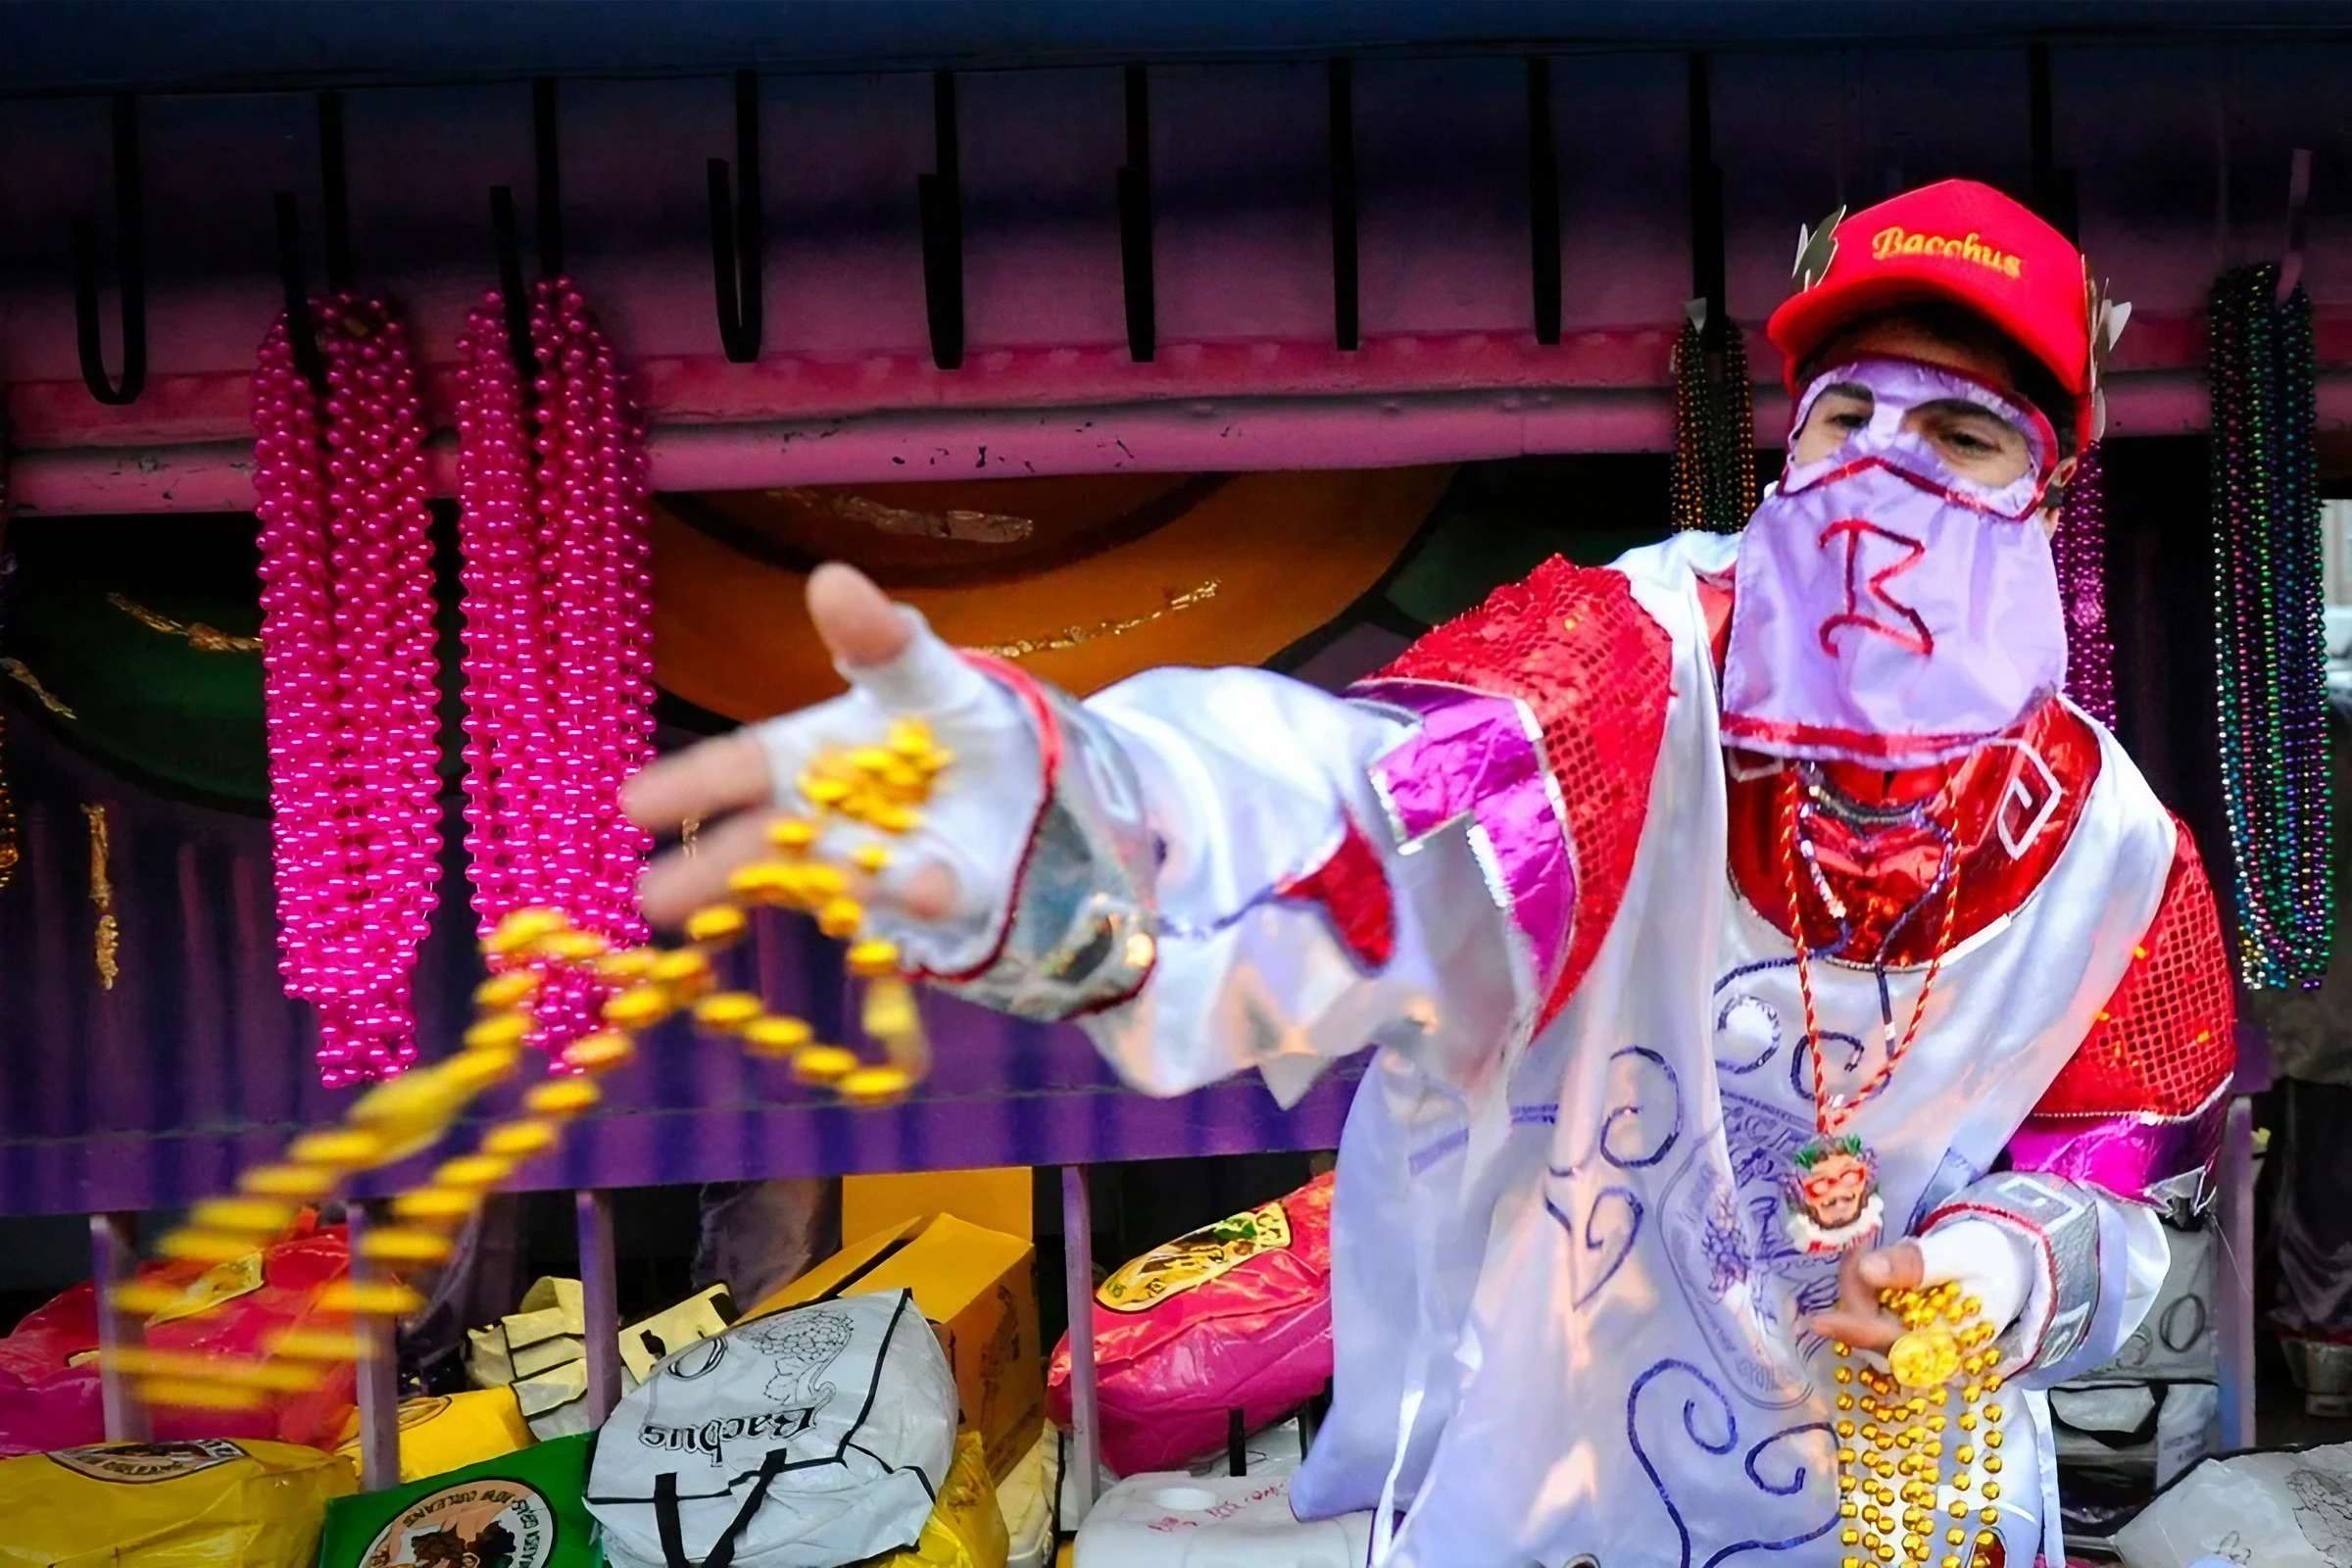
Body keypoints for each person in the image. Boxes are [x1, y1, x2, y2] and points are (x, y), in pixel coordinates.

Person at [624, 181, 2234, 1568]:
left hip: (1919, 1512)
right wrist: (1091, 820)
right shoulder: (1627, 676)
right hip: (1550, 1499)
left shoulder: (2116, 855)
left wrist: (1998, 1267)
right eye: (1844, 419)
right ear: (1784, 447)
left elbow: (2121, 1167)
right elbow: (1380, 813)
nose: (1887, 477)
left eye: (1960, 433)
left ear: (2049, 489)